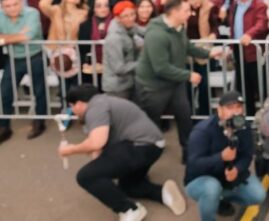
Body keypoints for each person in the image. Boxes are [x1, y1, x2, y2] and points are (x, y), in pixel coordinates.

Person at [60, 84, 186, 221]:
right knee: (127, 186)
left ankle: (130, 210)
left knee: (85, 176)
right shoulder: (104, 102)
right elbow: (98, 149)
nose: (72, 111)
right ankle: (163, 194)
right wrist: (99, 169)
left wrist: (70, 150)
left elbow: (96, 142)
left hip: (140, 146)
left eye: (71, 106)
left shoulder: (95, 109)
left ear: (78, 103)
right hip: (151, 147)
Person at [135, 0, 219, 161]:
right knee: (151, 122)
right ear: (174, 12)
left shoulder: (179, 27)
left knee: (184, 116)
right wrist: (188, 75)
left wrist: (208, 54)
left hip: (175, 83)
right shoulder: (157, 34)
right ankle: (144, 156)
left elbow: (186, 46)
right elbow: (160, 67)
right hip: (154, 87)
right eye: (186, 11)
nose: (191, 13)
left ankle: (189, 154)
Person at [184, 91, 265, 221]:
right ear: (219, 110)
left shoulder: (244, 127)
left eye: (238, 107)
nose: (235, 112)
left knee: (258, 195)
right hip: (201, 179)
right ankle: (212, 201)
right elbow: (194, 165)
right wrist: (220, 157)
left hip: (229, 178)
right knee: (212, 188)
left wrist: (237, 169)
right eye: (230, 108)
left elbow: (247, 156)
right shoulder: (202, 131)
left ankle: (220, 200)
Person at [0, 0, 47, 142]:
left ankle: (40, 122)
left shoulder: (32, 13)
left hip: (35, 56)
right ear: (2, 7)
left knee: (39, 92)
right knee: (5, 92)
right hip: (14, 58)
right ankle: (4, 126)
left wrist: (4, 39)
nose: (12, 8)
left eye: (15, 4)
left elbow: (28, 36)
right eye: (7, 6)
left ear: (21, 2)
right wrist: (19, 35)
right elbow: (22, 36)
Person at [227, 0, 269, 114]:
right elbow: (233, 25)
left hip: (253, 51)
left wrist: (249, 34)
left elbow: (261, 24)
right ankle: (249, 115)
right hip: (239, 49)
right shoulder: (235, 5)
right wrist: (231, 46)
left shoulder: (259, 5)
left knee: (258, 85)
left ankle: (265, 115)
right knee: (243, 86)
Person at [102, 0, 143, 99]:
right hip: (117, 88)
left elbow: (146, 31)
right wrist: (143, 63)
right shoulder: (114, 38)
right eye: (126, 16)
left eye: (132, 14)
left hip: (127, 83)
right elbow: (118, 68)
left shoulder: (130, 27)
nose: (131, 19)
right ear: (118, 18)